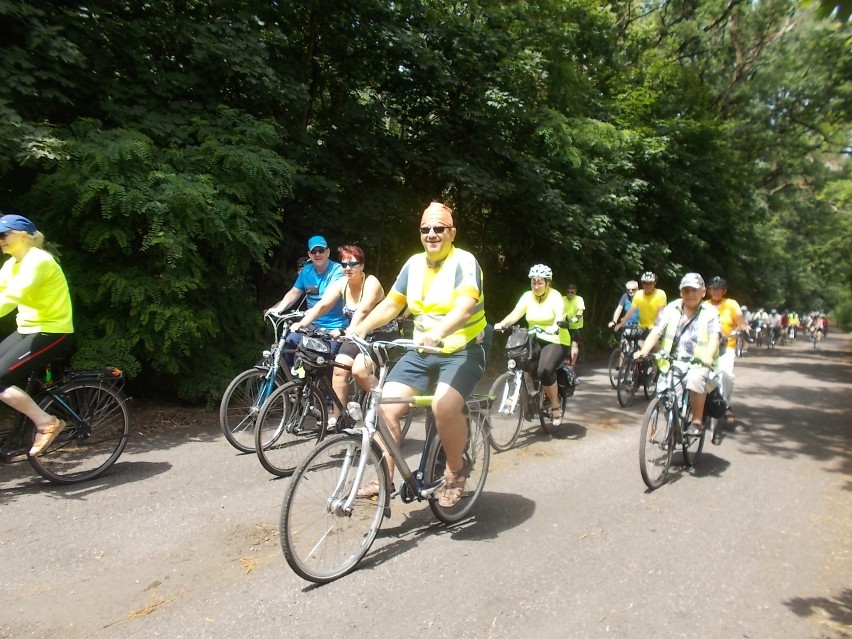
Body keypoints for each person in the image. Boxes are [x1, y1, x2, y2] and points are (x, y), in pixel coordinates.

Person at [349, 202, 488, 508]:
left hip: (462, 349)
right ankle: (383, 476)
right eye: (426, 229)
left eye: (439, 228)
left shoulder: (464, 262)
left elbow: (466, 306)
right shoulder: (413, 265)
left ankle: (455, 470)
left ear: (452, 232)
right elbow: (391, 306)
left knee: (442, 405)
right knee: (386, 405)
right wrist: (359, 329)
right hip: (422, 351)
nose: (432, 234)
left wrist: (439, 331)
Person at [290, 245, 398, 426]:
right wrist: (301, 323)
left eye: (353, 264)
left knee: (358, 371)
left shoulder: (371, 283)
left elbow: (363, 311)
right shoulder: (342, 283)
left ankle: (385, 404)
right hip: (357, 334)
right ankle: (338, 417)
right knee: (339, 369)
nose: (348, 268)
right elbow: (322, 306)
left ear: (362, 266)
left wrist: (347, 331)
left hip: (381, 335)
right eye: (344, 264)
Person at [0, 214, 75, 456]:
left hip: (52, 330)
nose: (0, 240)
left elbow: (12, 298)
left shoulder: (39, 260)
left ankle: (47, 423)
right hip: (27, 329)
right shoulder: (11, 264)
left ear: (23, 236)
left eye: (3, 235)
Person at [636, 273, 721, 436]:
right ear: (681, 292)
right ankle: (673, 426)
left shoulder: (710, 312)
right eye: (686, 290)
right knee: (666, 394)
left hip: (699, 362)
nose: (690, 294)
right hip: (672, 360)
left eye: (694, 290)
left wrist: (708, 356)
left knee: (695, 380)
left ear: (703, 292)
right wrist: (643, 351)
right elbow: (656, 332)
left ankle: (696, 421)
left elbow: (714, 337)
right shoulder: (671, 309)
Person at [494, 265, 571, 427]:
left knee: (544, 370)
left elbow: (559, 314)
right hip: (534, 339)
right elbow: (516, 313)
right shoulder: (527, 296)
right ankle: (530, 398)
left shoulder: (555, 296)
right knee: (521, 362)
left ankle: (555, 407)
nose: (536, 286)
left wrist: (555, 326)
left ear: (548, 283)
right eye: (533, 283)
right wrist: (502, 323)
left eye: (540, 283)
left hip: (555, 339)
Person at [268, 235, 346, 366]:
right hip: (312, 325)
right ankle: (293, 383)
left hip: (334, 327)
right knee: (289, 344)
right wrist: (277, 309)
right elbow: (294, 293)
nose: (317, 254)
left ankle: (322, 386)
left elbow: (325, 303)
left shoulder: (337, 270)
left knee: (324, 362)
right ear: (309, 254)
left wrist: (302, 323)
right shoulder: (306, 271)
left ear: (327, 252)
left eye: (321, 250)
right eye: (314, 251)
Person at [706, 276, 749, 438]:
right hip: (707, 346)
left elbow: (741, 322)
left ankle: (725, 405)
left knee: (727, 375)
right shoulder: (704, 305)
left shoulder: (731, 304)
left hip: (727, 346)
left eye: (718, 289)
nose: (715, 292)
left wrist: (744, 330)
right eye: (712, 289)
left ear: (724, 291)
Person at [614, 271, 667, 335]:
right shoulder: (638, 294)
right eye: (645, 283)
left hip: (655, 327)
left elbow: (661, 312)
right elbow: (631, 311)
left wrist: (657, 326)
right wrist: (622, 323)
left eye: (650, 283)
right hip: (641, 327)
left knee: (653, 344)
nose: (647, 285)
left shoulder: (660, 294)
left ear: (654, 283)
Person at [562, 283, 585, 367]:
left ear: (575, 292)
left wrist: (576, 318)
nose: (570, 294)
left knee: (574, 344)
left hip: (576, 326)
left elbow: (580, 310)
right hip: (564, 325)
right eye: (568, 292)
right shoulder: (562, 299)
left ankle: (572, 364)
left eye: (572, 292)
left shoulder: (579, 299)